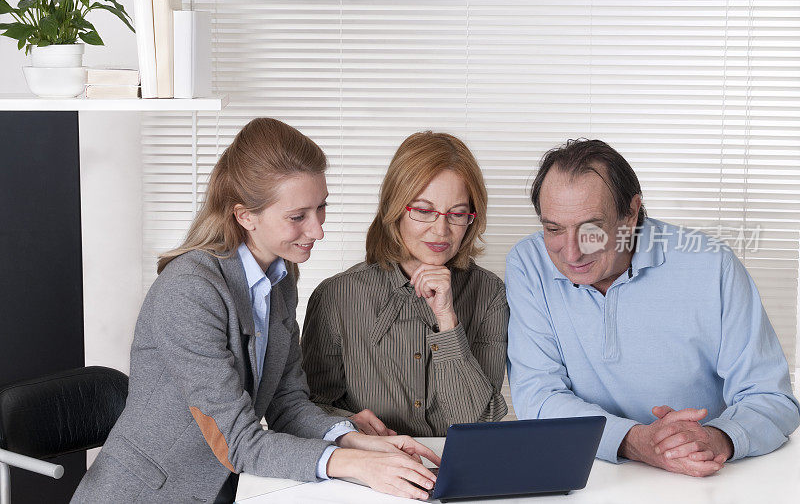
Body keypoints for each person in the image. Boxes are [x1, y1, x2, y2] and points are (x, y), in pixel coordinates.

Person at [71, 118, 439, 503]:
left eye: (321, 208)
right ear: (246, 215)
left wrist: (352, 440)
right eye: (298, 216)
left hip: (224, 489)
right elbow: (240, 443)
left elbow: (287, 402)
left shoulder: (281, 278)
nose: (317, 230)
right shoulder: (190, 290)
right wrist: (353, 464)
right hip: (147, 494)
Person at [506, 139, 800, 477]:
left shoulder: (711, 265)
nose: (571, 254)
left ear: (631, 213)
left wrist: (717, 438)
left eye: (591, 229)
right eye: (553, 229)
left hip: (705, 477)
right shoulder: (528, 263)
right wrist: (635, 441)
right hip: (591, 474)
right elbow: (537, 396)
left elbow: (770, 397)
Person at [301, 131, 509, 437]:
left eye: (457, 214)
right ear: (395, 208)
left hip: (455, 471)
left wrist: (447, 321)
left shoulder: (489, 293)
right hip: (366, 475)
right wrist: (348, 426)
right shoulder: (336, 297)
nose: (441, 230)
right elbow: (310, 407)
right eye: (424, 211)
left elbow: (479, 424)